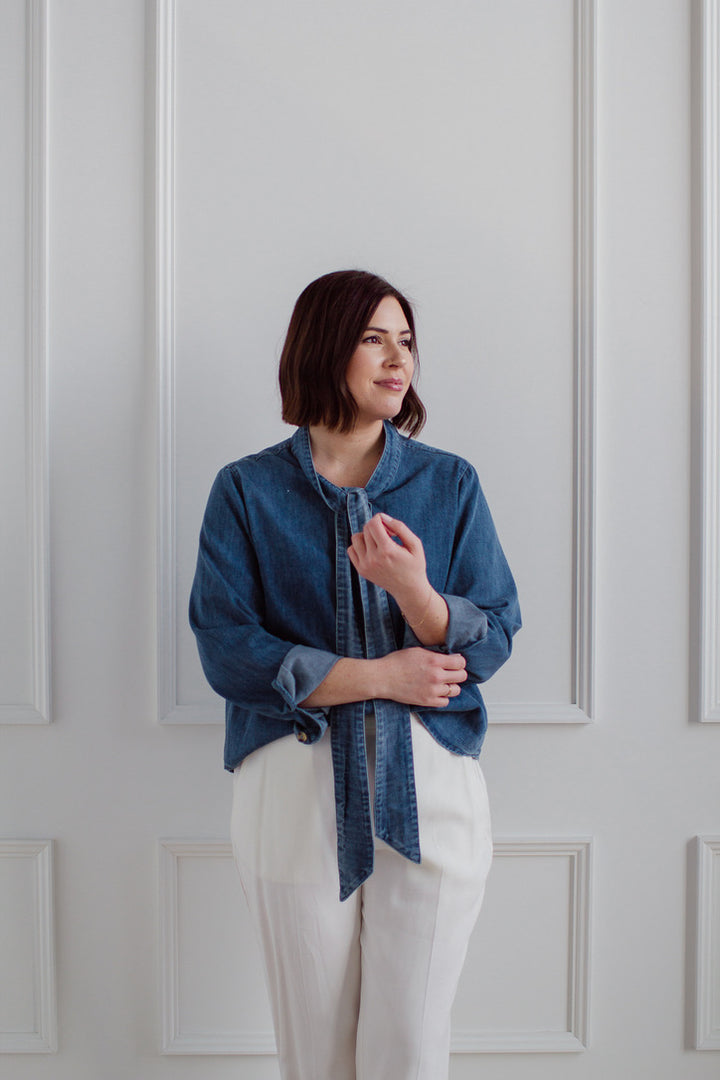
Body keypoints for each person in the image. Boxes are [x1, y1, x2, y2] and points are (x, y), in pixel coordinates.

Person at [189, 269, 521, 1080]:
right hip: (292, 789)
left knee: (409, 1052)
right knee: (318, 1057)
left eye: (405, 340)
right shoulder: (245, 490)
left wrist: (412, 589)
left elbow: (495, 635)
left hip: (432, 787)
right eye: (374, 337)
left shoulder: (450, 482)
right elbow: (228, 650)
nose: (396, 357)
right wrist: (383, 676)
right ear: (323, 346)